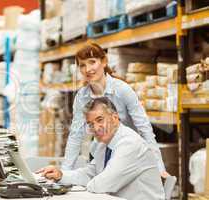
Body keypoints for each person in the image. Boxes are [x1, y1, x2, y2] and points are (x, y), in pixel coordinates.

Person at [63, 41, 168, 177]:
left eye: (92, 62)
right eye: (82, 65)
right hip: (101, 155)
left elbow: (144, 129)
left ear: (104, 62)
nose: (88, 69)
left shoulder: (122, 90)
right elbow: (76, 135)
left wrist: (159, 167)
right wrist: (64, 173)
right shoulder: (82, 96)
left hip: (128, 153)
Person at [38, 97, 165, 200]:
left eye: (100, 120)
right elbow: (90, 173)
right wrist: (61, 175)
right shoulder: (103, 144)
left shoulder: (130, 144)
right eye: (91, 124)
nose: (96, 128)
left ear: (115, 118)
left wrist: (87, 184)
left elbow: (103, 184)